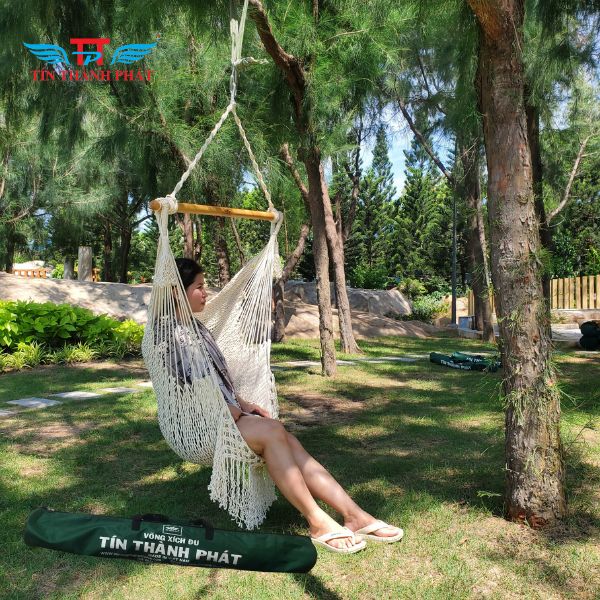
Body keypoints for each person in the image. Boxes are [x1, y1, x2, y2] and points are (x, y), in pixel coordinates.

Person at [173, 258, 403, 553]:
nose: (206, 293)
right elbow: (188, 388)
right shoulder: (167, 336)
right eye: (199, 287)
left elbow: (219, 380)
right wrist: (227, 411)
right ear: (178, 291)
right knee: (273, 433)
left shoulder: (198, 328)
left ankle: (354, 515)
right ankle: (317, 521)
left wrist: (244, 404)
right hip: (206, 425)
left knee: (283, 435)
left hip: (230, 414)